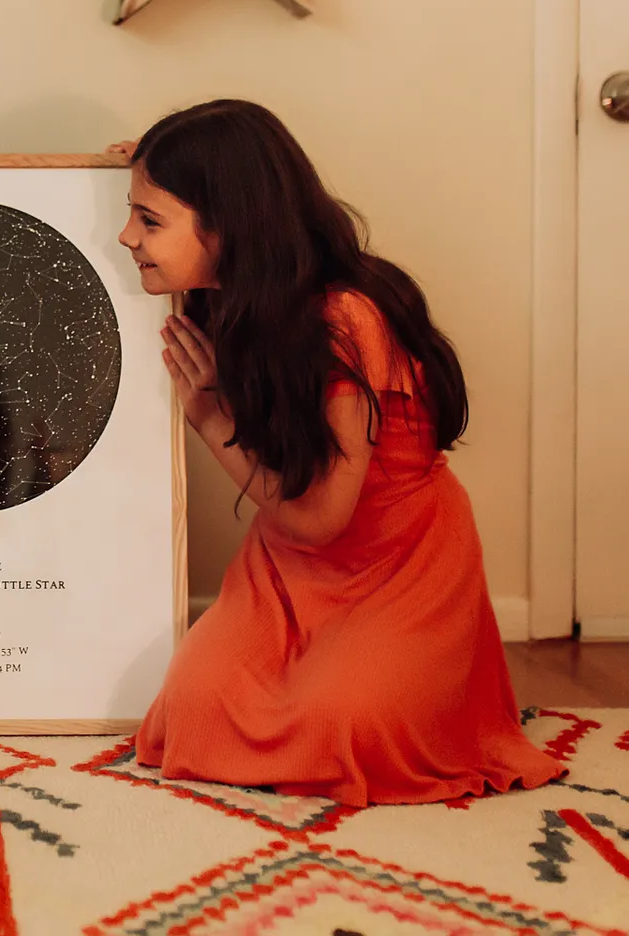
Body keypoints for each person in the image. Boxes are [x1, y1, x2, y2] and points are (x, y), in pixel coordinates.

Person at [111, 100, 565, 807]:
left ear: (230, 224)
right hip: (289, 562)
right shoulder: (225, 296)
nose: (126, 235)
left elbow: (322, 520)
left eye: (148, 219)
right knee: (190, 714)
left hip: (398, 561)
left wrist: (209, 418)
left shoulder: (344, 320)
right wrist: (154, 161)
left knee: (340, 725)